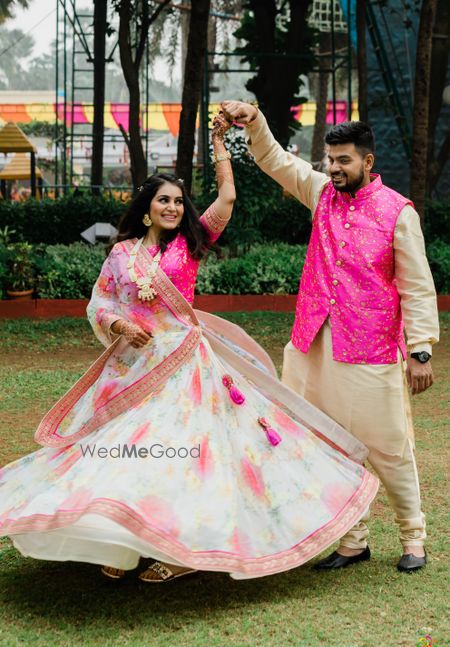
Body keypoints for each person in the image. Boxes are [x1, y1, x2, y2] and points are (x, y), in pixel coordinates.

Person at [0, 114, 379, 583]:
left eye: (179, 201)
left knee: (187, 452)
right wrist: (119, 322)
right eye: (164, 200)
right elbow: (100, 301)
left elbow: (228, 198)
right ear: (147, 208)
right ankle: (122, 540)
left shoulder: (191, 245)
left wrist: (220, 144)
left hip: (189, 369)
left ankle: (184, 552)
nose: (173, 208)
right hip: (135, 369)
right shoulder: (122, 254)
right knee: (128, 450)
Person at [221, 101, 440, 573]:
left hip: (371, 345)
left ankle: (413, 536)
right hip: (313, 342)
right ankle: (353, 541)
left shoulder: (397, 213)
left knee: (387, 445)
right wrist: (256, 120)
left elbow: (418, 285)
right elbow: (276, 160)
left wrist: (420, 349)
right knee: (326, 443)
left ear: (368, 162)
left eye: (344, 160)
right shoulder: (321, 194)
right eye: (330, 159)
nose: (334, 168)